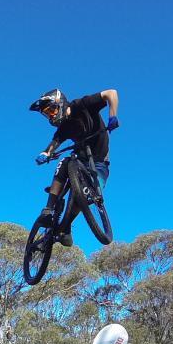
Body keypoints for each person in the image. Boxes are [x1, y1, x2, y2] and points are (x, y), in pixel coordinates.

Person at [30, 88, 119, 245]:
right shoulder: (63, 128)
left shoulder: (82, 105)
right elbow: (53, 145)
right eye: (46, 114)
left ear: (61, 103)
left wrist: (112, 116)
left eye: (51, 110)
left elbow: (111, 93)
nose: (51, 115)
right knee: (64, 162)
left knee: (87, 195)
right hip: (80, 158)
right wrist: (45, 154)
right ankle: (48, 210)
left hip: (99, 162)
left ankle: (65, 227)